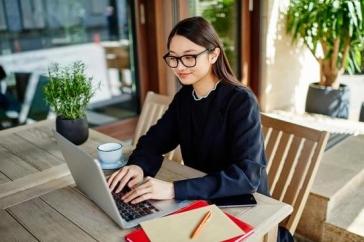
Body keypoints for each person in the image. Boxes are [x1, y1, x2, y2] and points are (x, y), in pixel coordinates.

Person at [108, 16, 269, 204]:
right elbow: (154, 142)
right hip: (199, 198)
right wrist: (138, 166)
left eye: (189, 57)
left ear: (213, 55)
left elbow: (246, 177)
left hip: (245, 205)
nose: (180, 66)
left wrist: (173, 189)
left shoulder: (241, 101)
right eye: (174, 57)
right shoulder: (185, 97)